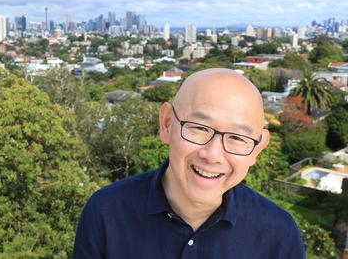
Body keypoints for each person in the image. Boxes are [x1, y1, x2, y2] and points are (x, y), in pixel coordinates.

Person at [73, 68, 305, 258]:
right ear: (166, 124)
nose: (212, 155)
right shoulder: (106, 212)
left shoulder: (278, 235)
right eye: (199, 128)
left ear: (257, 148)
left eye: (236, 138)